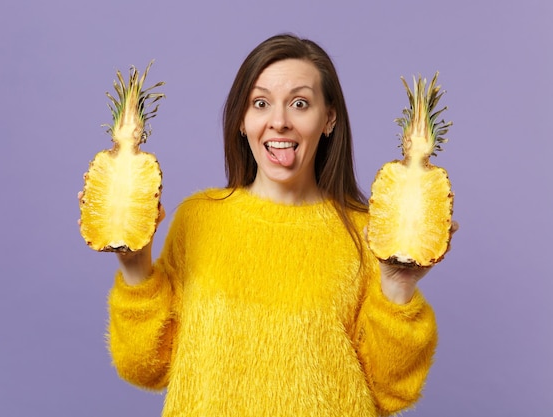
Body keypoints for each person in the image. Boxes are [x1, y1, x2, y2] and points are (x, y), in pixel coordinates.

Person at [101, 34, 457, 416]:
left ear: (328, 119)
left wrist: (398, 285)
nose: (279, 122)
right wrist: (135, 264)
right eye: (260, 103)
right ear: (242, 119)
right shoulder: (198, 217)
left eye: (300, 104)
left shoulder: (370, 235)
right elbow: (146, 368)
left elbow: (391, 392)